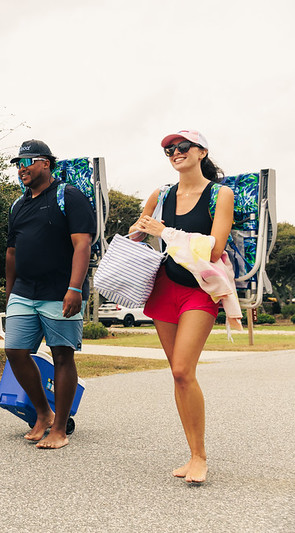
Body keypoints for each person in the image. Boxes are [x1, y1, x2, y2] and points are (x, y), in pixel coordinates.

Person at [130, 130, 233, 483]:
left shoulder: (220, 194)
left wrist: (166, 231)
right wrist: (140, 230)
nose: (175, 152)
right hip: (164, 287)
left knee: (182, 370)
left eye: (182, 146)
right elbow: (140, 231)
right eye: (169, 149)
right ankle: (191, 454)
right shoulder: (161, 194)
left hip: (199, 290)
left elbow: (215, 248)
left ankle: (200, 457)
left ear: (202, 151)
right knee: (178, 373)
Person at [4, 139, 95, 449]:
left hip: (60, 291)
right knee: (15, 351)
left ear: (45, 163)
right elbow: (12, 252)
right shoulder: (18, 204)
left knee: (61, 355)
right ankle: (43, 413)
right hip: (24, 291)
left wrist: (74, 289)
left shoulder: (68, 196)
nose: (21, 168)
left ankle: (59, 429)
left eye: (27, 161)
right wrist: (9, 292)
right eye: (18, 163)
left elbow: (82, 244)